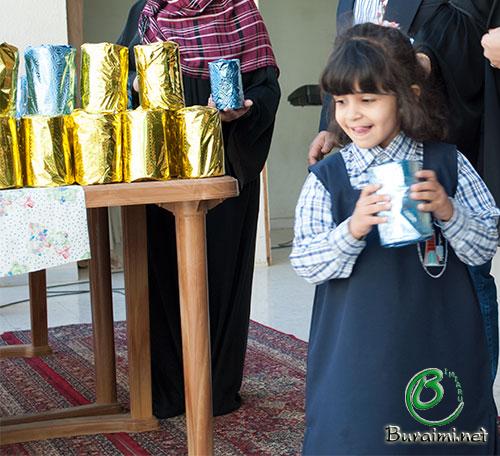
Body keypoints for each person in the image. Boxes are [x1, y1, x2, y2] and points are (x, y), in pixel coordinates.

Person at [291, 23, 499, 454]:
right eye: (342, 101)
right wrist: (352, 229)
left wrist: (448, 211)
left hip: (438, 345)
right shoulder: (329, 179)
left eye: (368, 99)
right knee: (358, 437)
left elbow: (484, 246)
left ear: (408, 96)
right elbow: (307, 262)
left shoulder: (448, 165)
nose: (353, 114)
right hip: (356, 357)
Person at [118, 0, 280, 418]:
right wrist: (135, 85)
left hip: (223, 166)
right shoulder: (146, 13)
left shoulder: (240, 11)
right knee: (162, 270)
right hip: (160, 166)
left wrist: (245, 109)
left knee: (220, 272)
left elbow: (267, 88)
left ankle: (218, 389)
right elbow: (115, 80)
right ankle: (167, 391)